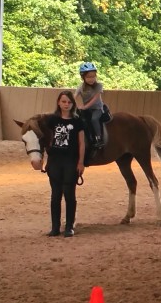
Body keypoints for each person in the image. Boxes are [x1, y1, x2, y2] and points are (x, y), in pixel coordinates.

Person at [45, 91, 86, 237]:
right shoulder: (52, 120)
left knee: (69, 195)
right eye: (64, 101)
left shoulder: (77, 121)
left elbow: (81, 143)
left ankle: (69, 227)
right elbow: (48, 141)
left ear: (72, 104)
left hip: (71, 161)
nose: (66, 104)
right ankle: (55, 227)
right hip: (55, 161)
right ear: (58, 103)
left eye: (69, 102)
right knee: (55, 195)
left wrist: (81, 162)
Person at [75, 62, 105, 149]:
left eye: (93, 76)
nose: (91, 79)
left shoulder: (99, 86)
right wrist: (75, 105)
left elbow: (95, 98)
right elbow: (75, 96)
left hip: (97, 109)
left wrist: (84, 107)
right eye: (88, 77)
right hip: (86, 110)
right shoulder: (81, 87)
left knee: (94, 119)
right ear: (83, 77)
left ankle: (99, 139)